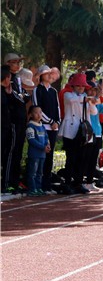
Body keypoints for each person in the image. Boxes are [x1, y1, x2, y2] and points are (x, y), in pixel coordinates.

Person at [60, 73, 94, 194]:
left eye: (83, 86)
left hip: (83, 131)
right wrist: (86, 99)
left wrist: (91, 102)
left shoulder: (85, 97)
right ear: (73, 86)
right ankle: (67, 183)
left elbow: (94, 112)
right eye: (78, 85)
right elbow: (72, 100)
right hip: (70, 131)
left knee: (82, 158)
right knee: (71, 158)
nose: (80, 88)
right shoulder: (68, 95)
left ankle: (78, 182)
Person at [31, 65, 60, 192]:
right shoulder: (37, 90)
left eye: (50, 73)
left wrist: (57, 121)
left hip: (53, 127)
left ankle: (47, 184)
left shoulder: (53, 91)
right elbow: (37, 108)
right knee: (42, 155)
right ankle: (38, 184)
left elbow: (57, 108)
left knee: (50, 155)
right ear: (41, 75)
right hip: (42, 127)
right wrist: (50, 121)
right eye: (46, 73)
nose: (49, 75)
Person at [3, 53, 28, 192]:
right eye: (15, 62)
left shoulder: (18, 78)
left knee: (18, 151)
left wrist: (22, 96)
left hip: (21, 119)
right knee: (11, 152)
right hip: (12, 120)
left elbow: (25, 95)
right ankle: (7, 182)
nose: (18, 65)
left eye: (19, 62)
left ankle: (15, 181)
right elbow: (14, 97)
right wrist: (21, 97)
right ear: (7, 63)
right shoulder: (6, 78)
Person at [25, 105, 50, 196]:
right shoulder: (30, 126)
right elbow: (31, 140)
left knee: (40, 172)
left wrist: (47, 145)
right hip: (34, 154)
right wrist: (42, 147)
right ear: (31, 115)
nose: (39, 114)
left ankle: (38, 188)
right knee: (32, 172)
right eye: (36, 112)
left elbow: (46, 137)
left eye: (40, 112)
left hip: (42, 154)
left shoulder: (42, 126)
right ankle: (32, 189)